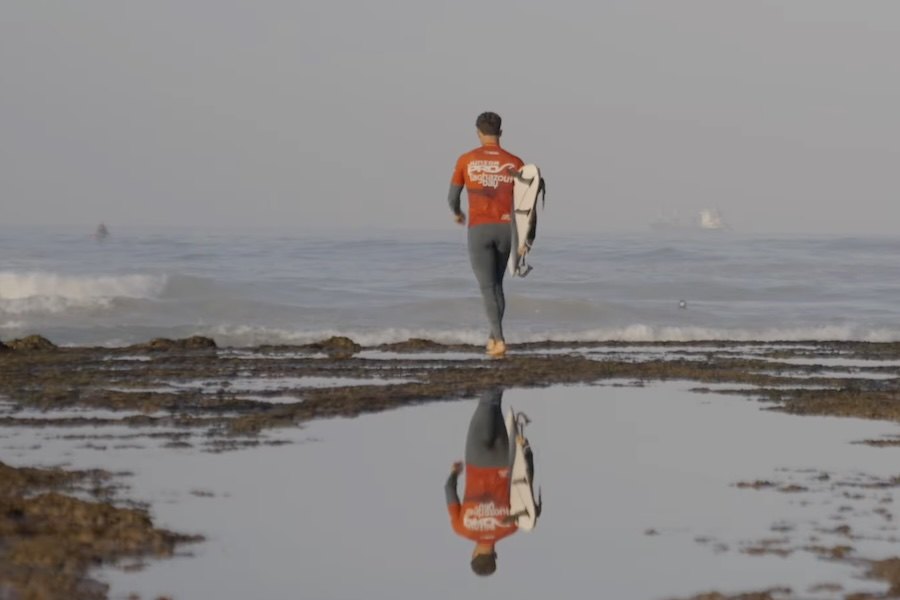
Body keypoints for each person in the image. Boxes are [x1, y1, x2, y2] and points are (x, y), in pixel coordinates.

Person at [448, 112, 524, 357]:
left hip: (479, 229)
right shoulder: (515, 162)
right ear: (500, 133)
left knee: (487, 288)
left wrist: (458, 213)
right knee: (497, 286)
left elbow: (452, 198)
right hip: (506, 228)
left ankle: (499, 340)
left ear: (478, 133)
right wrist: (525, 238)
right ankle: (493, 338)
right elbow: (526, 204)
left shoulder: (466, 160)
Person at [445, 388, 517, 576]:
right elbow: (449, 491)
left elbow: (521, 490)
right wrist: (455, 473)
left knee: (495, 404)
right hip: (476, 461)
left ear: (495, 555)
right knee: (486, 403)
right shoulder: (462, 528)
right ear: (474, 554)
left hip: (502, 462)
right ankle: (496, 362)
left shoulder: (511, 527)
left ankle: (500, 363)